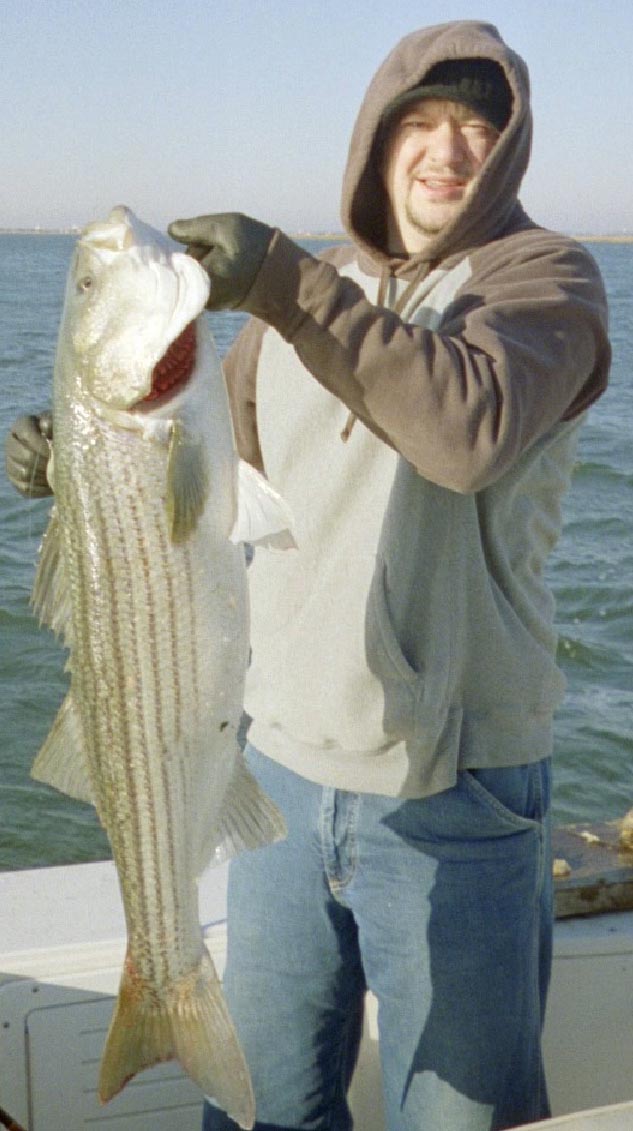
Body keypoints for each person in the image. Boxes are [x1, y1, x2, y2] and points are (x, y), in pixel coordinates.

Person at [6, 20, 610, 1131]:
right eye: (420, 123)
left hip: (454, 794)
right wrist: (92, 475)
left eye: (479, 126)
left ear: (510, 151)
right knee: (264, 1115)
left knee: (460, 1120)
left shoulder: (546, 285)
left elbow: (466, 433)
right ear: (377, 144)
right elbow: (220, 493)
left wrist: (283, 280)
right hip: (275, 772)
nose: (447, 149)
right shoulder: (303, 293)